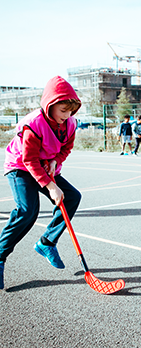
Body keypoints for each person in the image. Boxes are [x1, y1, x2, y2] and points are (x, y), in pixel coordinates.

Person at [0, 76, 82, 290]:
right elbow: (28, 159)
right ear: (50, 105)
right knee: (27, 211)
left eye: (70, 111)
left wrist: (56, 160)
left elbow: (66, 148)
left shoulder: (70, 123)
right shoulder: (34, 124)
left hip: (44, 165)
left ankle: (47, 242)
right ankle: (0, 257)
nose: (67, 115)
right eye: (63, 110)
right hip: (20, 166)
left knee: (72, 197)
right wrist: (50, 186)